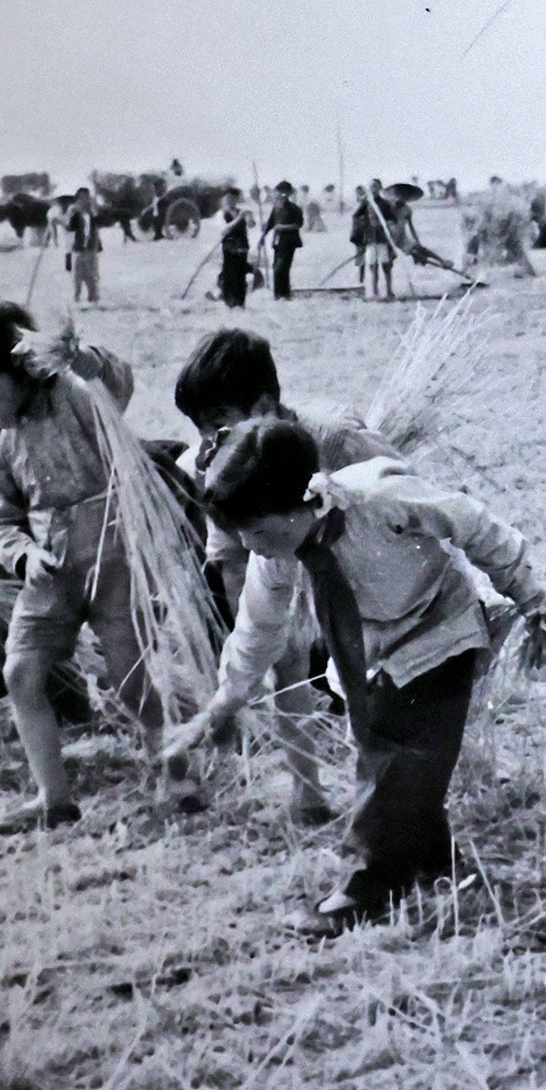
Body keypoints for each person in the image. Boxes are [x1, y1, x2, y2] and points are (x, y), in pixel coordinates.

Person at [193, 420, 546, 932]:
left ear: (300, 503)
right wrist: (227, 698)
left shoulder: (380, 500)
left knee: (405, 761)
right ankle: (445, 868)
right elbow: (258, 630)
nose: (249, 545)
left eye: (257, 529)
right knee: (386, 751)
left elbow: (474, 525)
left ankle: (371, 885)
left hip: (440, 631)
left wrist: (530, 595)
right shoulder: (273, 559)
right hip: (366, 652)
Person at [0, 301, 176, 833]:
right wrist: (23, 553)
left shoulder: (74, 397)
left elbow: (113, 378)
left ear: (25, 368)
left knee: (130, 679)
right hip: (49, 569)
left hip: (114, 555)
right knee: (20, 673)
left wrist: (81, 357)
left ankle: (175, 773)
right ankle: (54, 799)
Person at [173, 330, 398, 821]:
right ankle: (307, 791)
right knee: (282, 664)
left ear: (266, 403)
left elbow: (398, 487)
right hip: (265, 567)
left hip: (343, 565)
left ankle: (382, 790)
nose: (210, 442)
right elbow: (230, 549)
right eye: (200, 429)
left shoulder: (335, 438)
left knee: (367, 668)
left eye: (219, 422)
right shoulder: (208, 462)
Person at [353, 179, 397, 299]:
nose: (374, 189)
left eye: (376, 186)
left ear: (380, 188)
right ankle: (374, 291)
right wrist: (363, 229)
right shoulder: (366, 203)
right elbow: (356, 216)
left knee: (386, 265)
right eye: (372, 186)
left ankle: (389, 291)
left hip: (382, 238)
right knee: (372, 266)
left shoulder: (384, 203)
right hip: (370, 239)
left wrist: (387, 225)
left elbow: (393, 219)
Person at [261, 181, 304, 300]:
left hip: (289, 242)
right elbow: (270, 223)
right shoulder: (276, 207)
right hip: (277, 242)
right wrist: (262, 238)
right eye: (276, 192)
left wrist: (283, 227)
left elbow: (298, 225)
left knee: (283, 267)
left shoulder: (295, 208)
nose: (276, 194)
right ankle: (278, 294)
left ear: (285, 194)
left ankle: (284, 294)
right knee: (276, 267)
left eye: (279, 192)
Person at [217, 192, 251, 309]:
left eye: (232, 200)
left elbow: (250, 226)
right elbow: (224, 230)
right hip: (229, 248)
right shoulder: (221, 214)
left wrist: (250, 219)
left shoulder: (241, 212)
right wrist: (239, 218)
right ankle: (229, 303)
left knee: (241, 276)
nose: (231, 203)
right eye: (228, 200)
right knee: (230, 275)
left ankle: (241, 303)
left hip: (242, 247)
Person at [68, 187, 101, 303]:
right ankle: (77, 297)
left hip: (91, 247)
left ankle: (93, 297)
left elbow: (102, 222)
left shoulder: (93, 213)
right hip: (80, 247)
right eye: (81, 198)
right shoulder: (75, 214)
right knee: (78, 273)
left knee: (91, 273)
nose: (83, 200)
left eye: (86, 197)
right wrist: (70, 215)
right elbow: (70, 227)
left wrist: (96, 211)